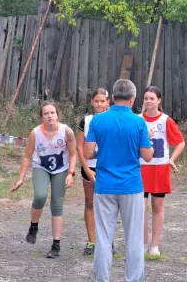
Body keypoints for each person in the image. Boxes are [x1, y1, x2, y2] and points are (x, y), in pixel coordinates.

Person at [84, 79, 153, 282]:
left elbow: (88, 153)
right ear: (133, 99)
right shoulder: (139, 122)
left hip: (105, 184)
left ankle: (102, 279)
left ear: (112, 98)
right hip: (131, 185)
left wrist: (101, 149)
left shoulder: (97, 120)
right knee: (134, 237)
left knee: (104, 237)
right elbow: (147, 156)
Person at [11, 101, 77, 259]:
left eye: (52, 113)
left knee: (57, 203)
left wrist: (71, 173)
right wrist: (21, 178)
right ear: (41, 117)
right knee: (40, 196)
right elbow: (27, 156)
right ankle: (34, 226)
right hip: (41, 167)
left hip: (61, 169)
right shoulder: (35, 133)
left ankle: (56, 244)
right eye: (46, 113)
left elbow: (74, 154)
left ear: (57, 114)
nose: (50, 116)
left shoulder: (66, 131)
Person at [140, 86, 185, 256]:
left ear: (159, 100)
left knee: (157, 206)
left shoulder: (166, 120)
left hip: (159, 168)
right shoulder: (137, 119)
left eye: (152, 98)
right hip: (141, 168)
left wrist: (171, 160)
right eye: (146, 98)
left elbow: (180, 142)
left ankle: (155, 245)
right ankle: (143, 243)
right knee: (140, 207)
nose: (148, 101)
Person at [77, 88, 110, 256]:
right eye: (96, 101)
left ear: (108, 103)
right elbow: (79, 146)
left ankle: (107, 240)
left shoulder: (113, 119)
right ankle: (91, 241)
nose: (99, 104)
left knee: (107, 205)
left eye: (102, 101)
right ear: (92, 102)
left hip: (108, 167)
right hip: (90, 166)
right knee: (90, 202)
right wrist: (85, 168)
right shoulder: (86, 120)